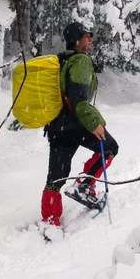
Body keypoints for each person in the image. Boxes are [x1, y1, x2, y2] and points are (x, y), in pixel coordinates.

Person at [41, 22, 119, 227]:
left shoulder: (60, 60)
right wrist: (95, 123)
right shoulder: (81, 61)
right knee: (110, 148)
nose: (90, 39)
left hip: (56, 126)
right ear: (76, 41)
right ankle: (84, 185)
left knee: (55, 178)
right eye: (86, 36)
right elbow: (78, 100)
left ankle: (50, 221)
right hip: (75, 124)